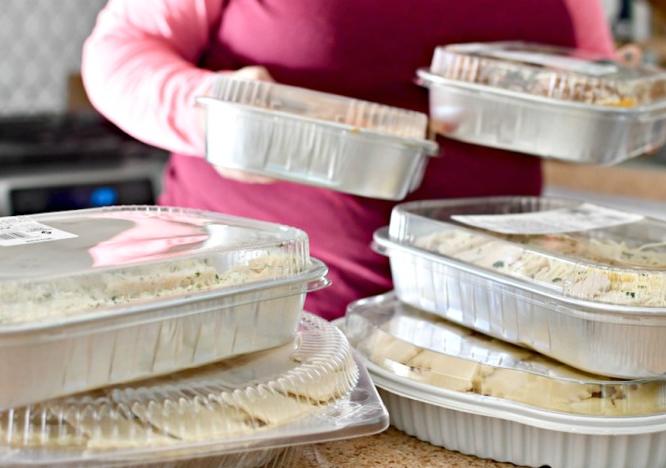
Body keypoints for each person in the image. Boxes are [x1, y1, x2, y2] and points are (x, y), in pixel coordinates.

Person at [81, 0, 616, 320]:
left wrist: (601, 101)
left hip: (490, 320)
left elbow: (595, 73)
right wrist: (212, 114)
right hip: (253, 312)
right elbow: (122, 47)